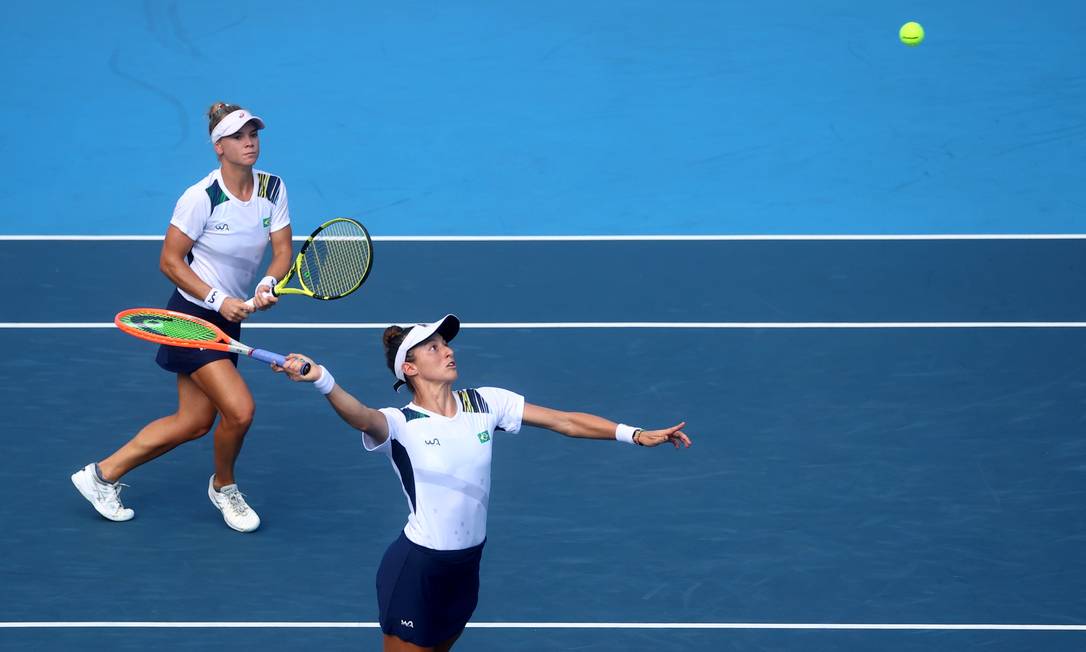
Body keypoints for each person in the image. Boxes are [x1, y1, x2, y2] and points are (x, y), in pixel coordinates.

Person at [277, 314, 691, 651]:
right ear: (410, 368)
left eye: (446, 343)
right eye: (434, 348)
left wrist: (634, 433)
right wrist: (322, 380)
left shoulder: (486, 402)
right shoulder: (400, 423)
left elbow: (564, 420)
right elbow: (360, 415)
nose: (448, 351)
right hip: (417, 568)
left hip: (466, 565)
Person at [71, 102, 294, 533]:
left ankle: (100, 476)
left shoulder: (274, 187)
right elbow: (170, 262)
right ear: (219, 147)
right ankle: (224, 488)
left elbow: (282, 251)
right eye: (237, 136)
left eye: (253, 134)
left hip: (230, 316)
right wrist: (216, 298)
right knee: (241, 411)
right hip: (193, 316)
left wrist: (266, 284)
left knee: (193, 422)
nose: (249, 142)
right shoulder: (201, 197)